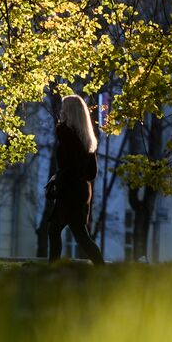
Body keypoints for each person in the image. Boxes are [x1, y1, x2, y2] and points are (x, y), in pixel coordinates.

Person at [47, 93, 103, 264]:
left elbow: (69, 165)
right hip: (81, 191)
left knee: (73, 233)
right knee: (62, 230)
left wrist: (58, 178)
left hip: (69, 192)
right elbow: (91, 173)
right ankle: (100, 268)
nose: (61, 111)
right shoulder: (88, 140)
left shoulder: (66, 133)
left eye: (64, 107)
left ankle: (53, 270)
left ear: (69, 111)